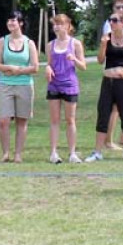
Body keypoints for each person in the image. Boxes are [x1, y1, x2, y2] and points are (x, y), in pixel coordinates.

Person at [85, 13, 123, 163]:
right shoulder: (107, 38)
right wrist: (103, 45)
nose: (112, 22)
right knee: (103, 114)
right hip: (108, 82)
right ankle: (97, 152)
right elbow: (100, 60)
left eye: (115, 20)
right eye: (110, 20)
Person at [0, 11, 39, 163]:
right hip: (5, 85)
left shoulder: (29, 43)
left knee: (22, 121)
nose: (10, 23)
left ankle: (18, 154)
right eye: (9, 20)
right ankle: (5, 153)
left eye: (13, 20)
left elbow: (35, 67)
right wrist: (9, 68)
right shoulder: (2, 41)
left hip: (24, 85)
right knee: (3, 121)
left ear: (20, 23)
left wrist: (19, 70)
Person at [45, 14, 86, 164]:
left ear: (68, 26)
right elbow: (49, 63)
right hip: (54, 84)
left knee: (70, 120)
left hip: (70, 85)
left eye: (60, 24)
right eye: (55, 24)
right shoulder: (50, 45)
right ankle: (53, 153)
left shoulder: (75, 44)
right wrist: (48, 68)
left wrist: (74, 59)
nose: (57, 26)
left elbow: (83, 66)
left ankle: (72, 153)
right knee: (54, 120)